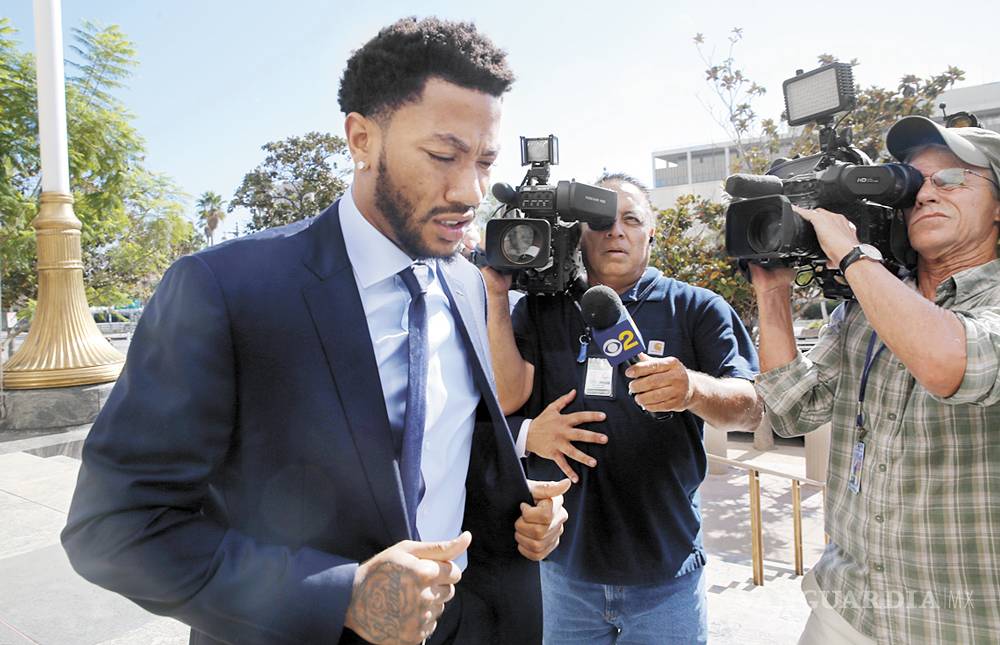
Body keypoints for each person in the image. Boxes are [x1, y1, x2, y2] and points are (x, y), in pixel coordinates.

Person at [61, 17, 569, 645]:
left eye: (485, 161)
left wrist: (516, 505)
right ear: (362, 138)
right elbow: (115, 525)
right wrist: (341, 596)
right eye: (443, 156)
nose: (470, 191)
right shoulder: (224, 289)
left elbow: (452, 450)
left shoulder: (467, 283)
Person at [484, 173, 763, 644]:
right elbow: (508, 399)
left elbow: (751, 409)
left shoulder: (697, 307)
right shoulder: (540, 308)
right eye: (601, 221)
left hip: (666, 573)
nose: (616, 231)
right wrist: (496, 296)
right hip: (564, 572)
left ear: (651, 232)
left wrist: (692, 390)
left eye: (631, 220)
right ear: (579, 234)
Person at [752, 116, 1000, 644]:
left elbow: (954, 365)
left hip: (961, 624)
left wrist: (853, 255)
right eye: (912, 186)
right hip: (847, 609)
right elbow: (793, 410)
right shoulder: (866, 302)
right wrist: (772, 291)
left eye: (951, 179)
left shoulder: (870, 278)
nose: (925, 194)